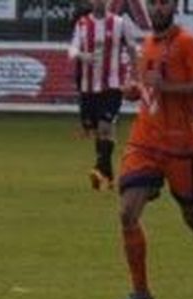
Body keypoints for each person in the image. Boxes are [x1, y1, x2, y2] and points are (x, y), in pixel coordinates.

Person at [112, 0, 193, 299]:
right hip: (145, 141)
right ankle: (140, 291)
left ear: (174, 6)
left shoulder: (188, 43)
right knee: (127, 213)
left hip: (181, 146)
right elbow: (150, 90)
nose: (157, 9)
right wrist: (136, 91)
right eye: (152, 3)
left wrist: (168, 87)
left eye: (163, 3)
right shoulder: (148, 44)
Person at [69, 0, 141, 191]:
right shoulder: (82, 23)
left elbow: (133, 49)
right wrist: (82, 56)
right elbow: (72, 49)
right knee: (97, 131)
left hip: (113, 86)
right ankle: (107, 175)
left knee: (104, 126)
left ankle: (98, 170)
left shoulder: (120, 23)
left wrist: (135, 77)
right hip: (88, 87)